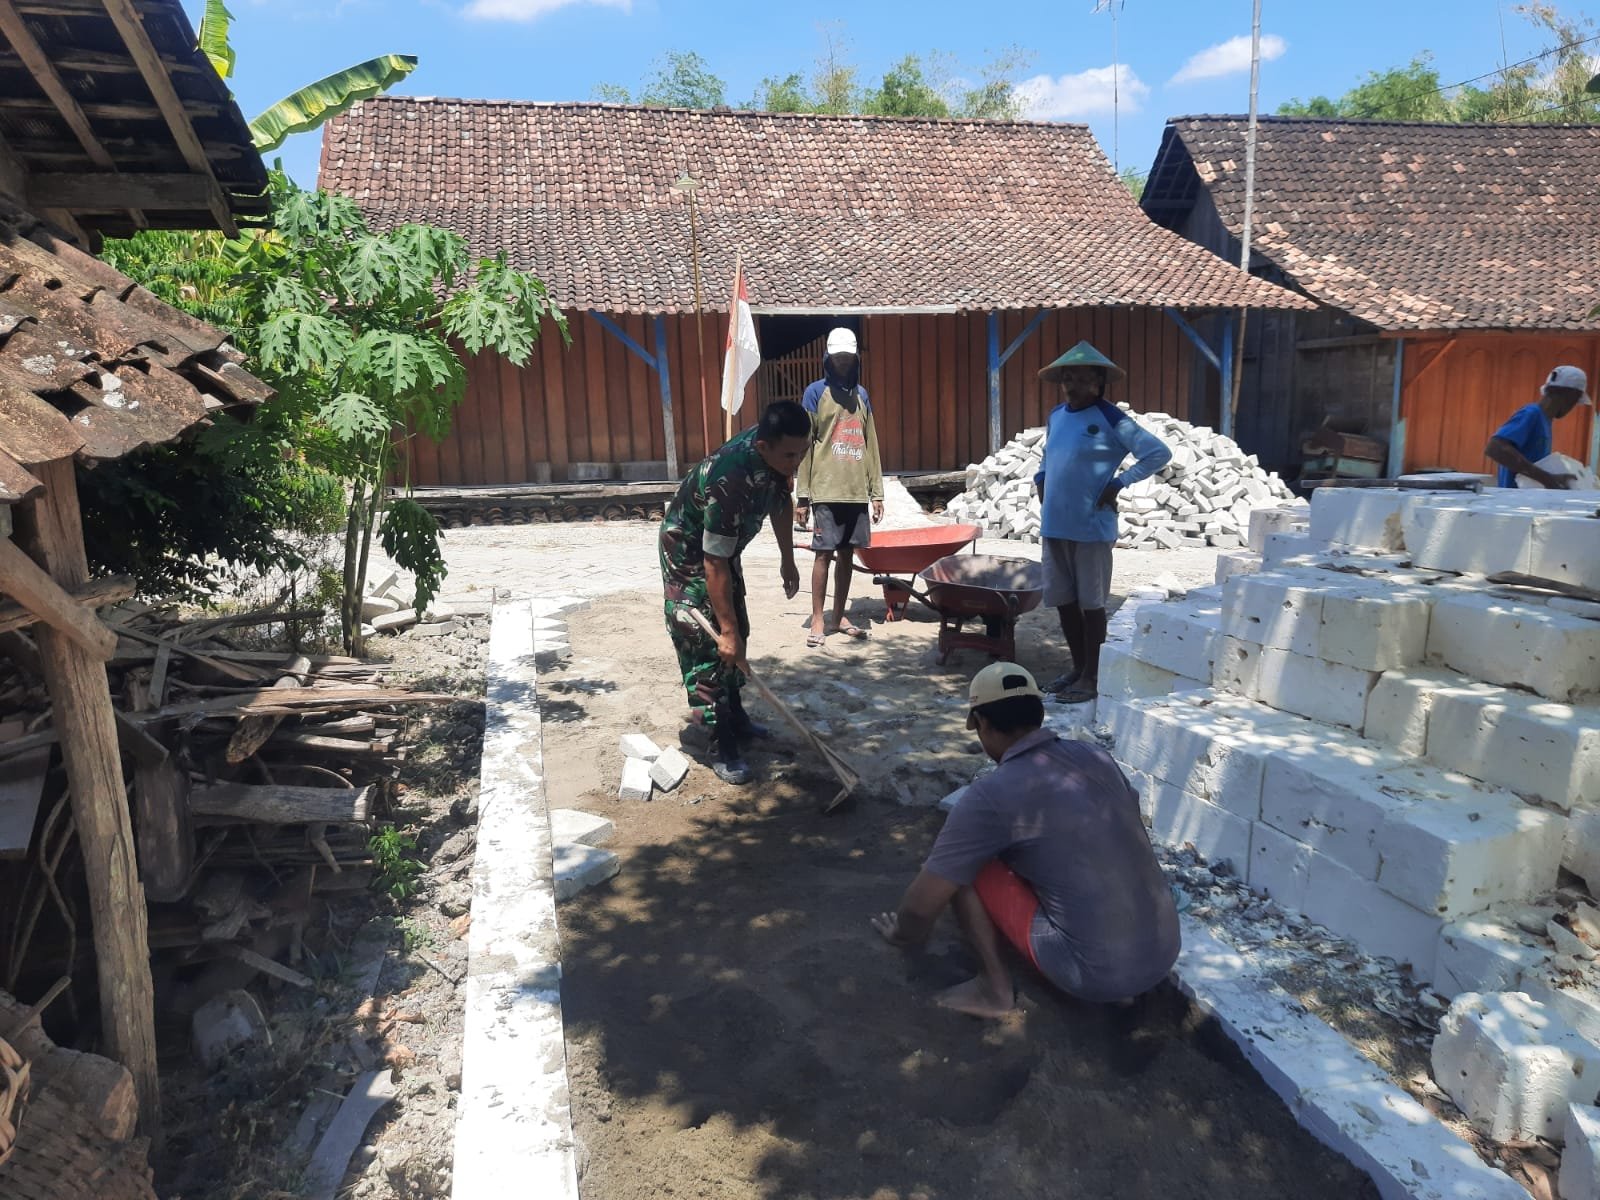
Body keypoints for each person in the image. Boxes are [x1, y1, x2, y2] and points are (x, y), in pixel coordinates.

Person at [871, 662, 1180, 1018]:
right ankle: (1122, 977)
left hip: (1091, 974)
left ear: (983, 723)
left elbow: (922, 905)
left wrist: (902, 934)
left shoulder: (989, 796)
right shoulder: (1095, 756)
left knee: (965, 863)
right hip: (1163, 950)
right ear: (1039, 713)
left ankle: (993, 990)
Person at [659, 401, 806, 785]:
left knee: (739, 627)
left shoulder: (779, 457)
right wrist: (725, 632)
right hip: (689, 555)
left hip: (723, 550)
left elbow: (781, 502)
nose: (797, 462)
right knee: (709, 642)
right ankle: (717, 737)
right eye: (790, 455)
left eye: (802, 452)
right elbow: (712, 563)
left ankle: (737, 717)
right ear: (764, 447)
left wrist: (787, 559)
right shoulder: (732, 477)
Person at [1033, 343, 1171, 703]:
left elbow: (1158, 453)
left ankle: (1092, 678)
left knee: (1091, 604)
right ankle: (1078, 668)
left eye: (1082, 379)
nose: (1073, 385)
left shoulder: (1112, 418)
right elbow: (1049, 454)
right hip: (1055, 524)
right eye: (1068, 378)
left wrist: (1119, 483)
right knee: (1064, 601)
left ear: (1098, 383)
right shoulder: (1057, 415)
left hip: (1091, 527)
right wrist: (1040, 477)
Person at [795, 327, 885, 648]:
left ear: (855, 358)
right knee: (823, 554)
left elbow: (871, 444)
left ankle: (838, 615)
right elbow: (805, 446)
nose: (843, 362)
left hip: (855, 492)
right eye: (838, 357)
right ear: (828, 359)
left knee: (847, 556)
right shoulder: (814, 393)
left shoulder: (862, 396)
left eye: (847, 357)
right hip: (826, 491)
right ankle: (818, 618)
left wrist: (877, 492)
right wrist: (802, 496)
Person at [1484, 365, 1592, 489]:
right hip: (1513, 496)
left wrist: (1551, 478)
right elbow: (1495, 448)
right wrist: (1547, 479)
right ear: (1570, 395)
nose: (1572, 407)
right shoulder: (1532, 414)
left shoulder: (1545, 421)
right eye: (1575, 401)